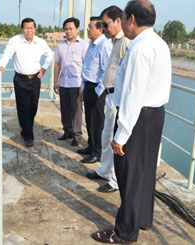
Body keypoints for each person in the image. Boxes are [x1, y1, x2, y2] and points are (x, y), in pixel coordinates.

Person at [92, 0, 171, 243]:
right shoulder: (158, 43)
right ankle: (142, 218)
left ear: (132, 19)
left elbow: (134, 94)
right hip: (154, 114)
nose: (122, 23)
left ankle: (125, 231)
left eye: (124, 18)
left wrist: (121, 135)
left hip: (138, 117)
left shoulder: (139, 48)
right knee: (145, 171)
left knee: (129, 173)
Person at [85, 6, 130, 193]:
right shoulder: (114, 42)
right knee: (106, 136)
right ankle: (104, 170)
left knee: (114, 139)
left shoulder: (126, 41)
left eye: (106, 24)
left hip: (117, 96)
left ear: (118, 21)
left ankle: (114, 180)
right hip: (110, 95)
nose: (104, 28)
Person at [0, 18, 54, 147]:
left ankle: (26, 128)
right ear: (22, 29)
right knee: (23, 107)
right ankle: (28, 135)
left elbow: (50, 55)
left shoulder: (40, 42)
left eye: (31, 27)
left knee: (33, 107)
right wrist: (1, 66)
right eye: (26, 28)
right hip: (20, 79)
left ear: (35, 29)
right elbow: (7, 54)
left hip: (35, 79)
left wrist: (44, 68)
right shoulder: (15, 41)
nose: (29, 30)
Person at [77, 16, 112, 163]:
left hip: (97, 89)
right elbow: (88, 67)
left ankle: (97, 152)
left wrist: (99, 90)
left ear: (100, 29)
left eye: (90, 27)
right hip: (88, 86)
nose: (87, 29)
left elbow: (106, 70)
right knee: (89, 119)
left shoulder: (104, 45)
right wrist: (84, 87)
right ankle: (91, 146)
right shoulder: (92, 45)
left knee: (97, 122)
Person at [54, 17, 89, 147]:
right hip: (63, 82)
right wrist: (55, 81)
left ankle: (77, 135)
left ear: (77, 29)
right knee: (65, 109)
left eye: (70, 29)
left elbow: (86, 66)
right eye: (66, 29)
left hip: (77, 84)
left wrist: (83, 85)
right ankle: (67, 131)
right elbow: (57, 64)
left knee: (76, 111)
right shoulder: (61, 45)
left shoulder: (84, 45)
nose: (68, 31)